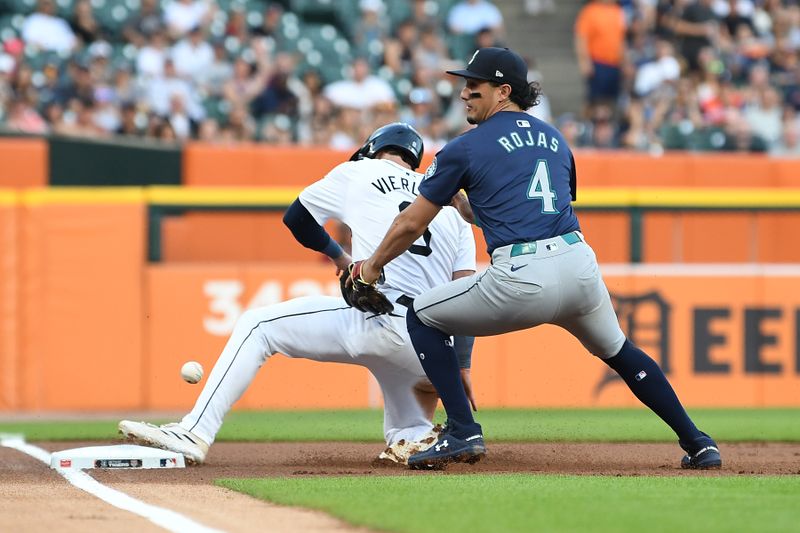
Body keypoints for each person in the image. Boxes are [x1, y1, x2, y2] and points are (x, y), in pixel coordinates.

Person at [353, 47, 723, 470]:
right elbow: (535, 209)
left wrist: (372, 265)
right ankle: (698, 442)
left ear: (503, 91)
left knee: (422, 315)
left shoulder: (465, 147)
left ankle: (462, 430)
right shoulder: (556, 139)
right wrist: (467, 210)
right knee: (620, 350)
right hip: (579, 264)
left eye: (475, 85)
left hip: (522, 275)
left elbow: (409, 225)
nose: (465, 92)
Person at [119, 123, 478, 465]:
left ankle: (194, 432)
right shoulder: (444, 200)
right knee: (409, 431)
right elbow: (465, 295)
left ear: (371, 151)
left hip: (378, 317)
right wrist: (460, 365)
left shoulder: (360, 171)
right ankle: (414, 435)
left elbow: (297, 218)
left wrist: (341, 257)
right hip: (428, 347)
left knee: (258, 326)